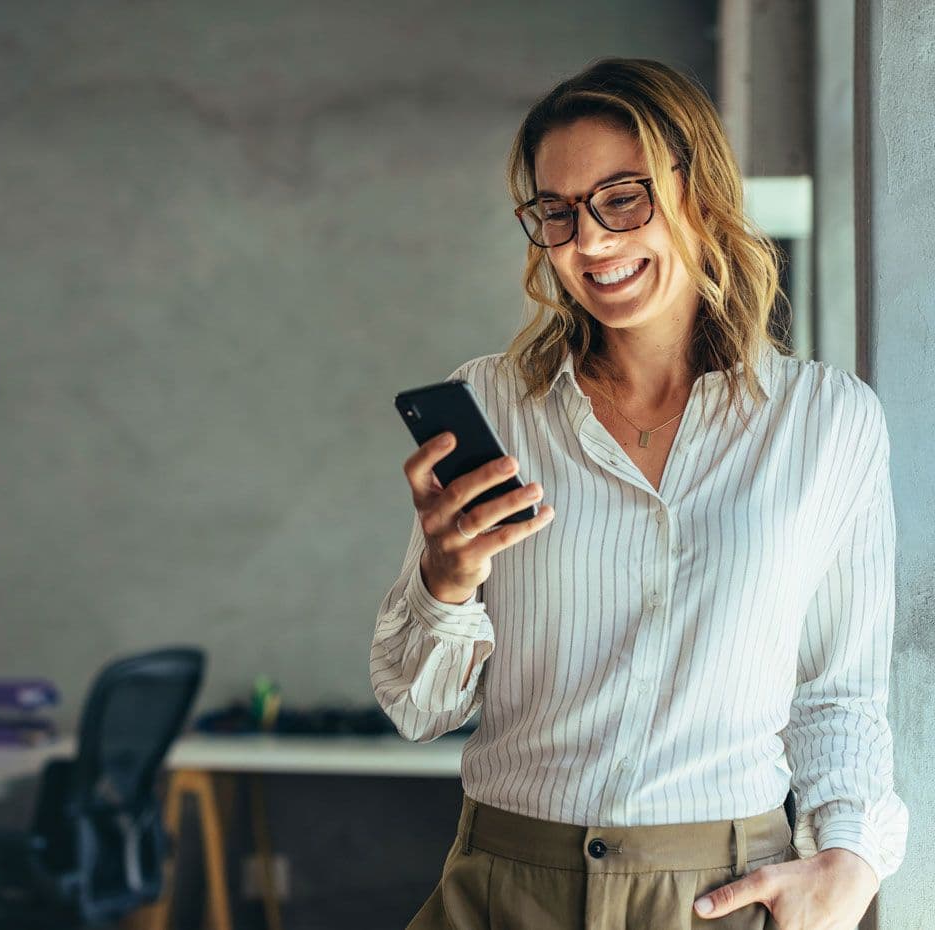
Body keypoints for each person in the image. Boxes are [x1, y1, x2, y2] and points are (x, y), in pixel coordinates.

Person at [373, 58, 905, 930]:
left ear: (701, 193)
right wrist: (446, 579)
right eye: (557, 211)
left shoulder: (827, 421)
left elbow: (839, 692)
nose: (588, 242)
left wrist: (848, 864)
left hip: (716, 895)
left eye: (624, 198)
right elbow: (419, 706)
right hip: (505, 885)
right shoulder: (497, 406)